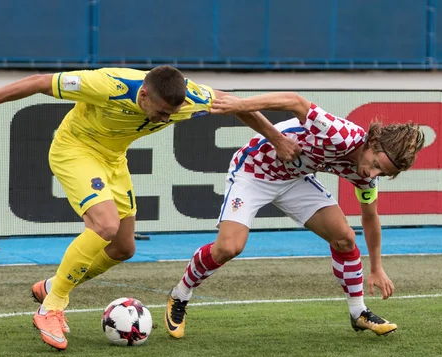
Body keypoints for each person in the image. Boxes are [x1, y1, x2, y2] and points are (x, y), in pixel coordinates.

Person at [0, 66, 301, 350]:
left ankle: (51, 284)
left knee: (123, 247)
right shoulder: (108, 85)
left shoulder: (191, 98)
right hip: (75, 150)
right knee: (105, 226)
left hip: (113, 160)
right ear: (143, 94)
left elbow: (238, 105)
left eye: (169, 114)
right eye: (159, 111)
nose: (163, 119)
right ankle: (51, 307)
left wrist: (277, 139)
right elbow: (38, 81)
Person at [164, 92, 425, 338]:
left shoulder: (365, 176)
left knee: (345, 238)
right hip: (254, 171)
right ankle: (180, 293)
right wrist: (242, 106)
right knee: (229, 248)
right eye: (376, 165)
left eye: (383, 174)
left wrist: (377, 268)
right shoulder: (341, 135)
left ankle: (358, 312)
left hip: (294, 179)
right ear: (373, 142)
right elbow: (295, 101)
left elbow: (371, 218)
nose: (372, 175)